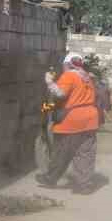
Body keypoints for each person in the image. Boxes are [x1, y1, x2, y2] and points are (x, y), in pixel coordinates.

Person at [36, 53, 101, 195]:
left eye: (64, 66)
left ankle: (50, 178)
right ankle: (84, 184)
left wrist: (49, 82)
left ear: (67, 64)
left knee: (62, 152)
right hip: (90, 119)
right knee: (85, 153)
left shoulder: (69, 76)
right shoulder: (87, 77)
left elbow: (60, 94)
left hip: (72, 121)